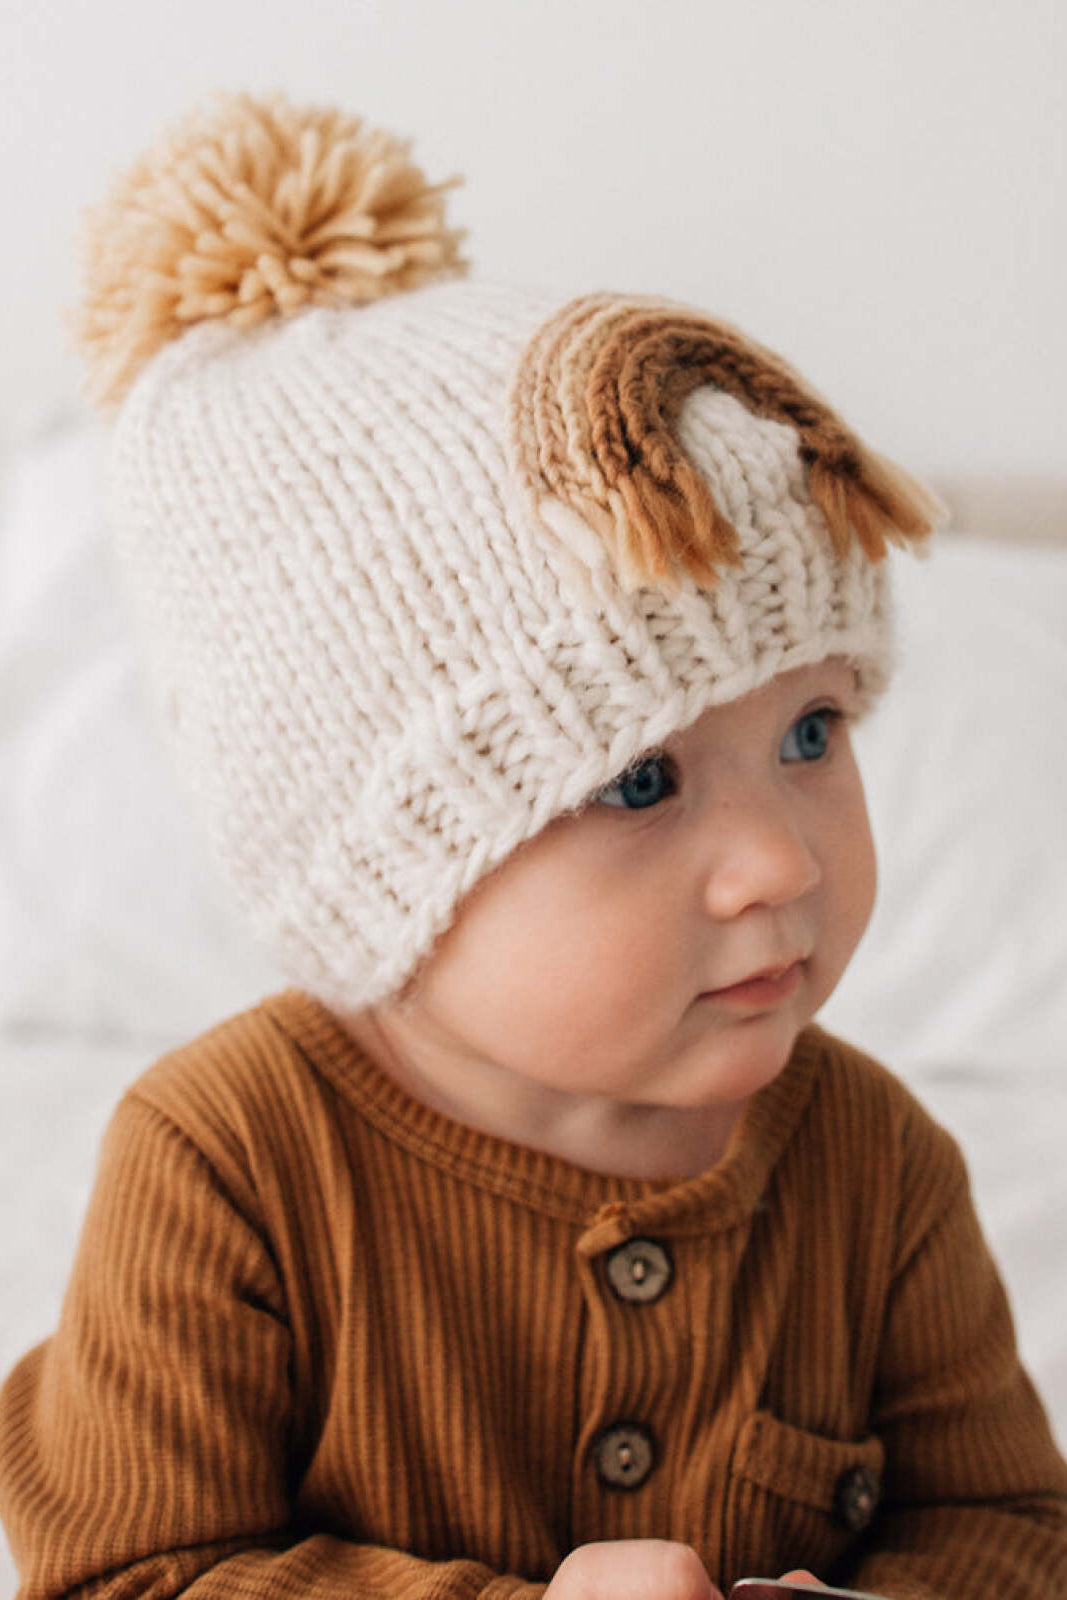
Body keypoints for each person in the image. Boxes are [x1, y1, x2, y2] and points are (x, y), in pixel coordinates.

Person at [0, 90, 1064, 1600]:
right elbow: (130, 1572)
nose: (784, 862)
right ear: (389, 875)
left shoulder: (877, 1166)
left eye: (813, 734)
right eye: (640, 782)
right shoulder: (224, 1163)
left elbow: (1013, 1525)